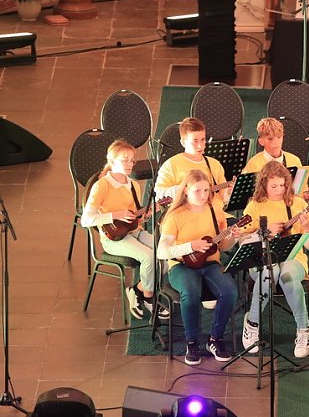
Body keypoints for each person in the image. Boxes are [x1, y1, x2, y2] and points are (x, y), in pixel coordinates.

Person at [157, 169, 240, 366]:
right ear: (185, 190)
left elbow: (222, 245)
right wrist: (190, 246)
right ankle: (192, 342)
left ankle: (215, 339)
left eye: (206, 190)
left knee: (229, 291)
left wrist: (233, 237)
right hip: (181, 265)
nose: (203, 195)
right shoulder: (175, 216)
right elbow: (162, 251)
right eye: (197, 191)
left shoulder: (214, 209)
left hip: (211, 262)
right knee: (190, 293)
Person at [81, 140, 167, 320]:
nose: (129, 164)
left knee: (165, 254)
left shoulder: (133, 185)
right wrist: (115, 215)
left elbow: (137, 218)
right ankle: (150, 298)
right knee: (148, 257)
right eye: (124, 160)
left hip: (135, 231)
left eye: (132, 160)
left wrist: (149, 212)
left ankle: (138, 289)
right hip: (114, 238)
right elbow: (86, 220)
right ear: (112, 161)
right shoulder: (102, 186)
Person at [240, 161, 309, 357]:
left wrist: (308, 227)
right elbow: (241, 241)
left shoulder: (298, 204)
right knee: (270, 271)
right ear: (263, 184)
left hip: (294, 258)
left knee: (287, 276)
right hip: (261, 258)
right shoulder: (254, 206)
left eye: (283, 185)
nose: (279, 190)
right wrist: (262, 232)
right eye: (273, 186)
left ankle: (303, 328)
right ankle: (252, 323)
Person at [155, 117, 232, 206]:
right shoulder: (171, 165)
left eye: (203, 140)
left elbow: (222, 199)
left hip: (215, 215)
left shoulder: (214, 164)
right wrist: (184, 189)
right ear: (183, 143)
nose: (200, 146)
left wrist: (229, 193)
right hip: (185, 215)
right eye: (195, 141)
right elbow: (158, 196)